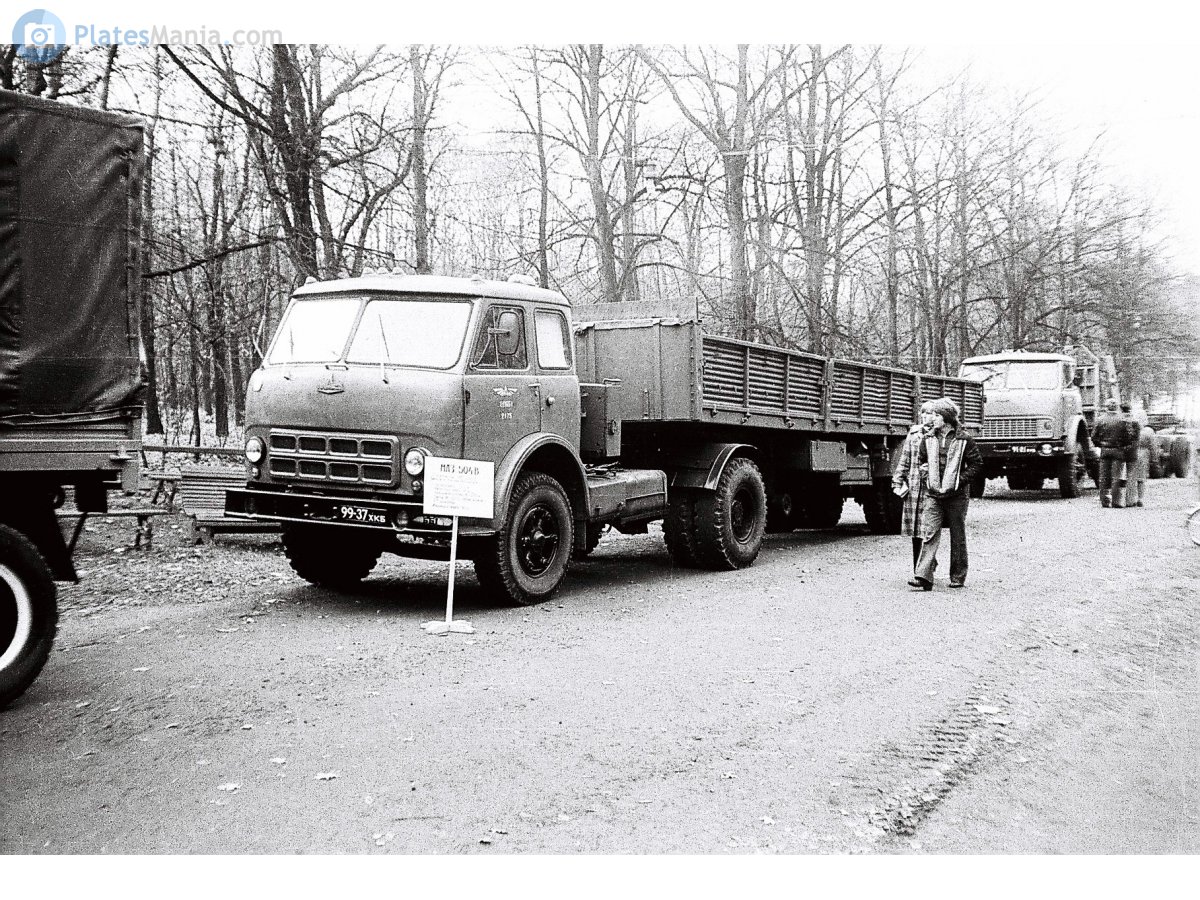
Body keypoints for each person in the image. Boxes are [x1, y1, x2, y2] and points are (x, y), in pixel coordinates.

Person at [910, 397, 983, 591]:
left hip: (957, 496)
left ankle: (958, 576)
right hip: (933, 494)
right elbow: (922, 461)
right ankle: (923, 576)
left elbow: (977, 464)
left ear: (947, 417)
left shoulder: (964, 439)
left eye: (936, 415)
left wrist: (959, 481)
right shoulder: (928, 439)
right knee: (929, 533)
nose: (932, 418)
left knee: (957, 535)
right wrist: (926, 476)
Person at [892, 401, 937, 570]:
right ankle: (918, 568)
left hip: (930, 489)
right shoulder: (913, 434)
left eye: (930, 413)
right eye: (923, 413)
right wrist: (898, 481)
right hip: (913, 489)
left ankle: (925, 567)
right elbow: (904, 460)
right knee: (915, 532)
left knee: (928, 529)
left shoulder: (939, 434)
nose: (926, 416)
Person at [1091, 398, 1133, 508]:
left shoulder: (1100, 420)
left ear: (1106, 407)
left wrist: (1100, 444)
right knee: (1116, 477)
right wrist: (1123, 445)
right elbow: (1129, 436)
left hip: (1104, 451)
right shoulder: (1122, 420)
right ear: (1116, 407)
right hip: (1118, 451)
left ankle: (1104, 501)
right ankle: (1115, 501)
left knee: (1104, 477)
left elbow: (1093, 436)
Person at [1117, 400, 1141, 509]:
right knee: (1131, 476)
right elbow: (1137, 439)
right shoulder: (1135, 422)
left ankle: (1117, 500)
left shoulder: (1118, 422)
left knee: (1117, 475)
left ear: (1121, 410)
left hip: (1119, 451)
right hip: (1132, 451)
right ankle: (1130, 501)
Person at [1129, 424, 1155, 508]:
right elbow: (1152, 447)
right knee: (1141, 479)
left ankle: (1130, 499)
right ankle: (1140, 498)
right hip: (1143, 456)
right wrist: (1154, 459)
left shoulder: (1130, 431)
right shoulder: (1148, 433)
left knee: (1130, 478)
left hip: (1131, 454)